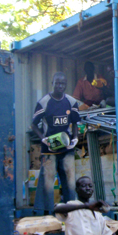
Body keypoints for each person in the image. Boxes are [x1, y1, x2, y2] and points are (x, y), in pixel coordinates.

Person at [31, 71, 80, 213]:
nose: (60, 86)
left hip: (67, 148)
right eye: (57, 83)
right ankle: (45, 212)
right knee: (47, 182)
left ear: (65, 85)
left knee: (70, 182)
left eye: (63, 83)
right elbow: (33, 125)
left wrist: (75, 138)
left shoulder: (71, 102)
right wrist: (43, 139)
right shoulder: (43, 103)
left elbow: (75, 122)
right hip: (49, 150)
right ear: (52, 83)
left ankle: (70, 211)